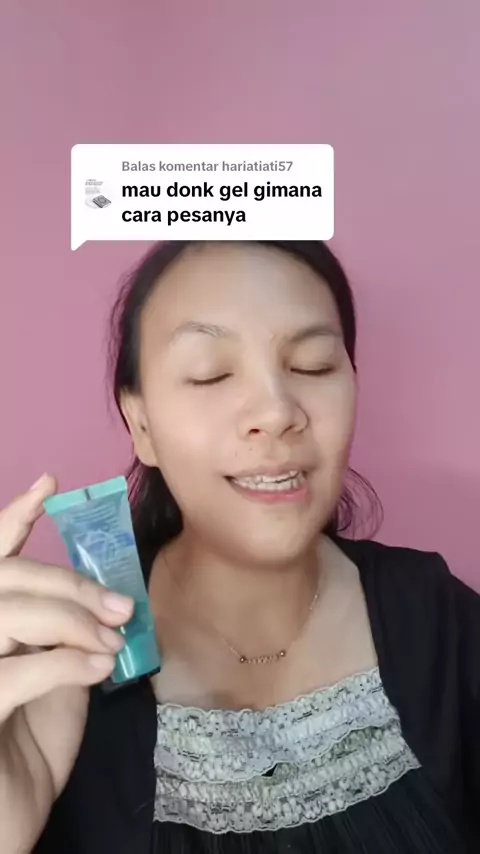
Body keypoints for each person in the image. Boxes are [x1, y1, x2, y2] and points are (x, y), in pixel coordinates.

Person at [0, 241, 479, 854]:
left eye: (312, 366)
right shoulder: (53, 688)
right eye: (210, 373)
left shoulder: (441, 619)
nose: (276, 413)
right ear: (141, 424)